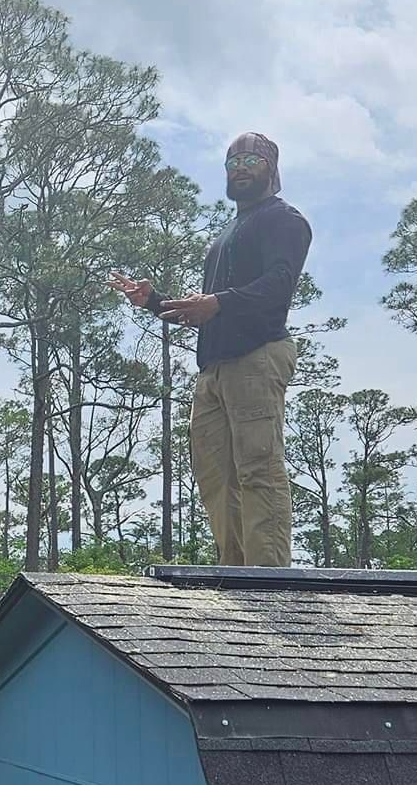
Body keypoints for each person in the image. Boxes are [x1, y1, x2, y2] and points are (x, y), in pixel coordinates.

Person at [111, 131, 312, 567]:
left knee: (258, 468)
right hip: (213, 369)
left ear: (272, 168)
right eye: (233, 162)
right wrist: (154, 302)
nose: (240, 168)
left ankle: (268, 580)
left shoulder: (284, 219)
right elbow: (205, 310)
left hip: (257, 356)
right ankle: (235, 574)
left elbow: (279, 285)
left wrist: (217, 302)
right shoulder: (226, 234)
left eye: (251, 161)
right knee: (216, 478)